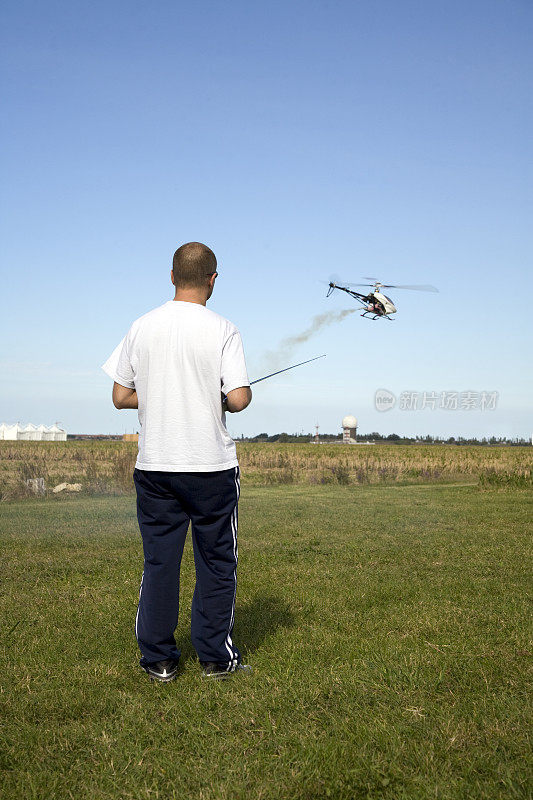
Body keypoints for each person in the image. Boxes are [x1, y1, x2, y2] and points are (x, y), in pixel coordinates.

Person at [102, 242, 252, 682]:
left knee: (160, 562)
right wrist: (223, 395)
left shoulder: (142, 325)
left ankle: (159, 659)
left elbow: (119, 396)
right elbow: (239, 398)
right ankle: (215, 657)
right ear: (213, 280)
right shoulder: (224, 329)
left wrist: (159, 392)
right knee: (217, 562)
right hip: (211, 468)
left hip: (155, 467)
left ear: (171, 276)